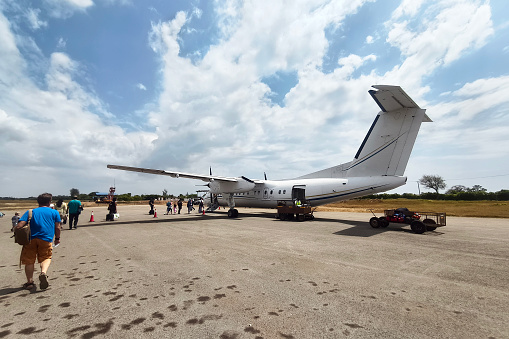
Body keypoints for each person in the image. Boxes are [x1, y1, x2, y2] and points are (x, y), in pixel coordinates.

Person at [15, 193, 61, 290]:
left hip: (30, 239)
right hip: (46, 239)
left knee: (29, 261)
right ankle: (43, 273)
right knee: (46, 257)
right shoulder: (54, 212)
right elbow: (57, 227)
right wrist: (57, 238)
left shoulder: (30, 212)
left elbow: (19, 226)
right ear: (49, 202)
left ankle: (30, 282)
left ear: (38, 202)